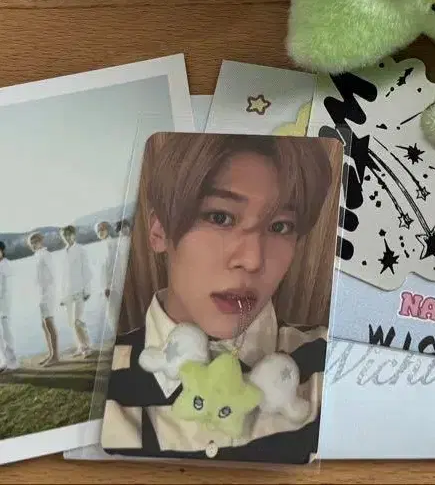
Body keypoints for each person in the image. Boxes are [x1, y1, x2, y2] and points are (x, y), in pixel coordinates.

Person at [102, 133, 340, 464]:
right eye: (220, 218)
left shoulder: (339, 369)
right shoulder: (97, 384)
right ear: (159, 230)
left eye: (280, 226)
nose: (252, 260)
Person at [59, 225, 92, 358]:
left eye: (69, 234)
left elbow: (86, 270)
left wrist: (87, 290)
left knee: (78, 320)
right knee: (71, 322)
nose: (67, 237)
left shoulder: (80, 250)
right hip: (68, 292)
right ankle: (80, 346)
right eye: (64, 235)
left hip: (79, 290)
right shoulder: (63, 252)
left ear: (74, 235)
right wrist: (62, 296)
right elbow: (63, 276)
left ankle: (87, 347)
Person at [28, 231, 59, 367]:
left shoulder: (46, 254)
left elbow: (53, 274)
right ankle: (50, 353)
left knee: (49, 323)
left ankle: (55, 356)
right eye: (32, 243)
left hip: (48, 293)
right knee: (44, 324)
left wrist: (48, 291)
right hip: (40, 294)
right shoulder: (37, 255)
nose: (34, 244)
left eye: (36, 241)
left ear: (41, 241)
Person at [0, 241, 18, 371]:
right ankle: (4, 361)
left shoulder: (6, 265)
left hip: (4, 305)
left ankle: (13, 362)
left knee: (7, 333)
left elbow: (7, 289)